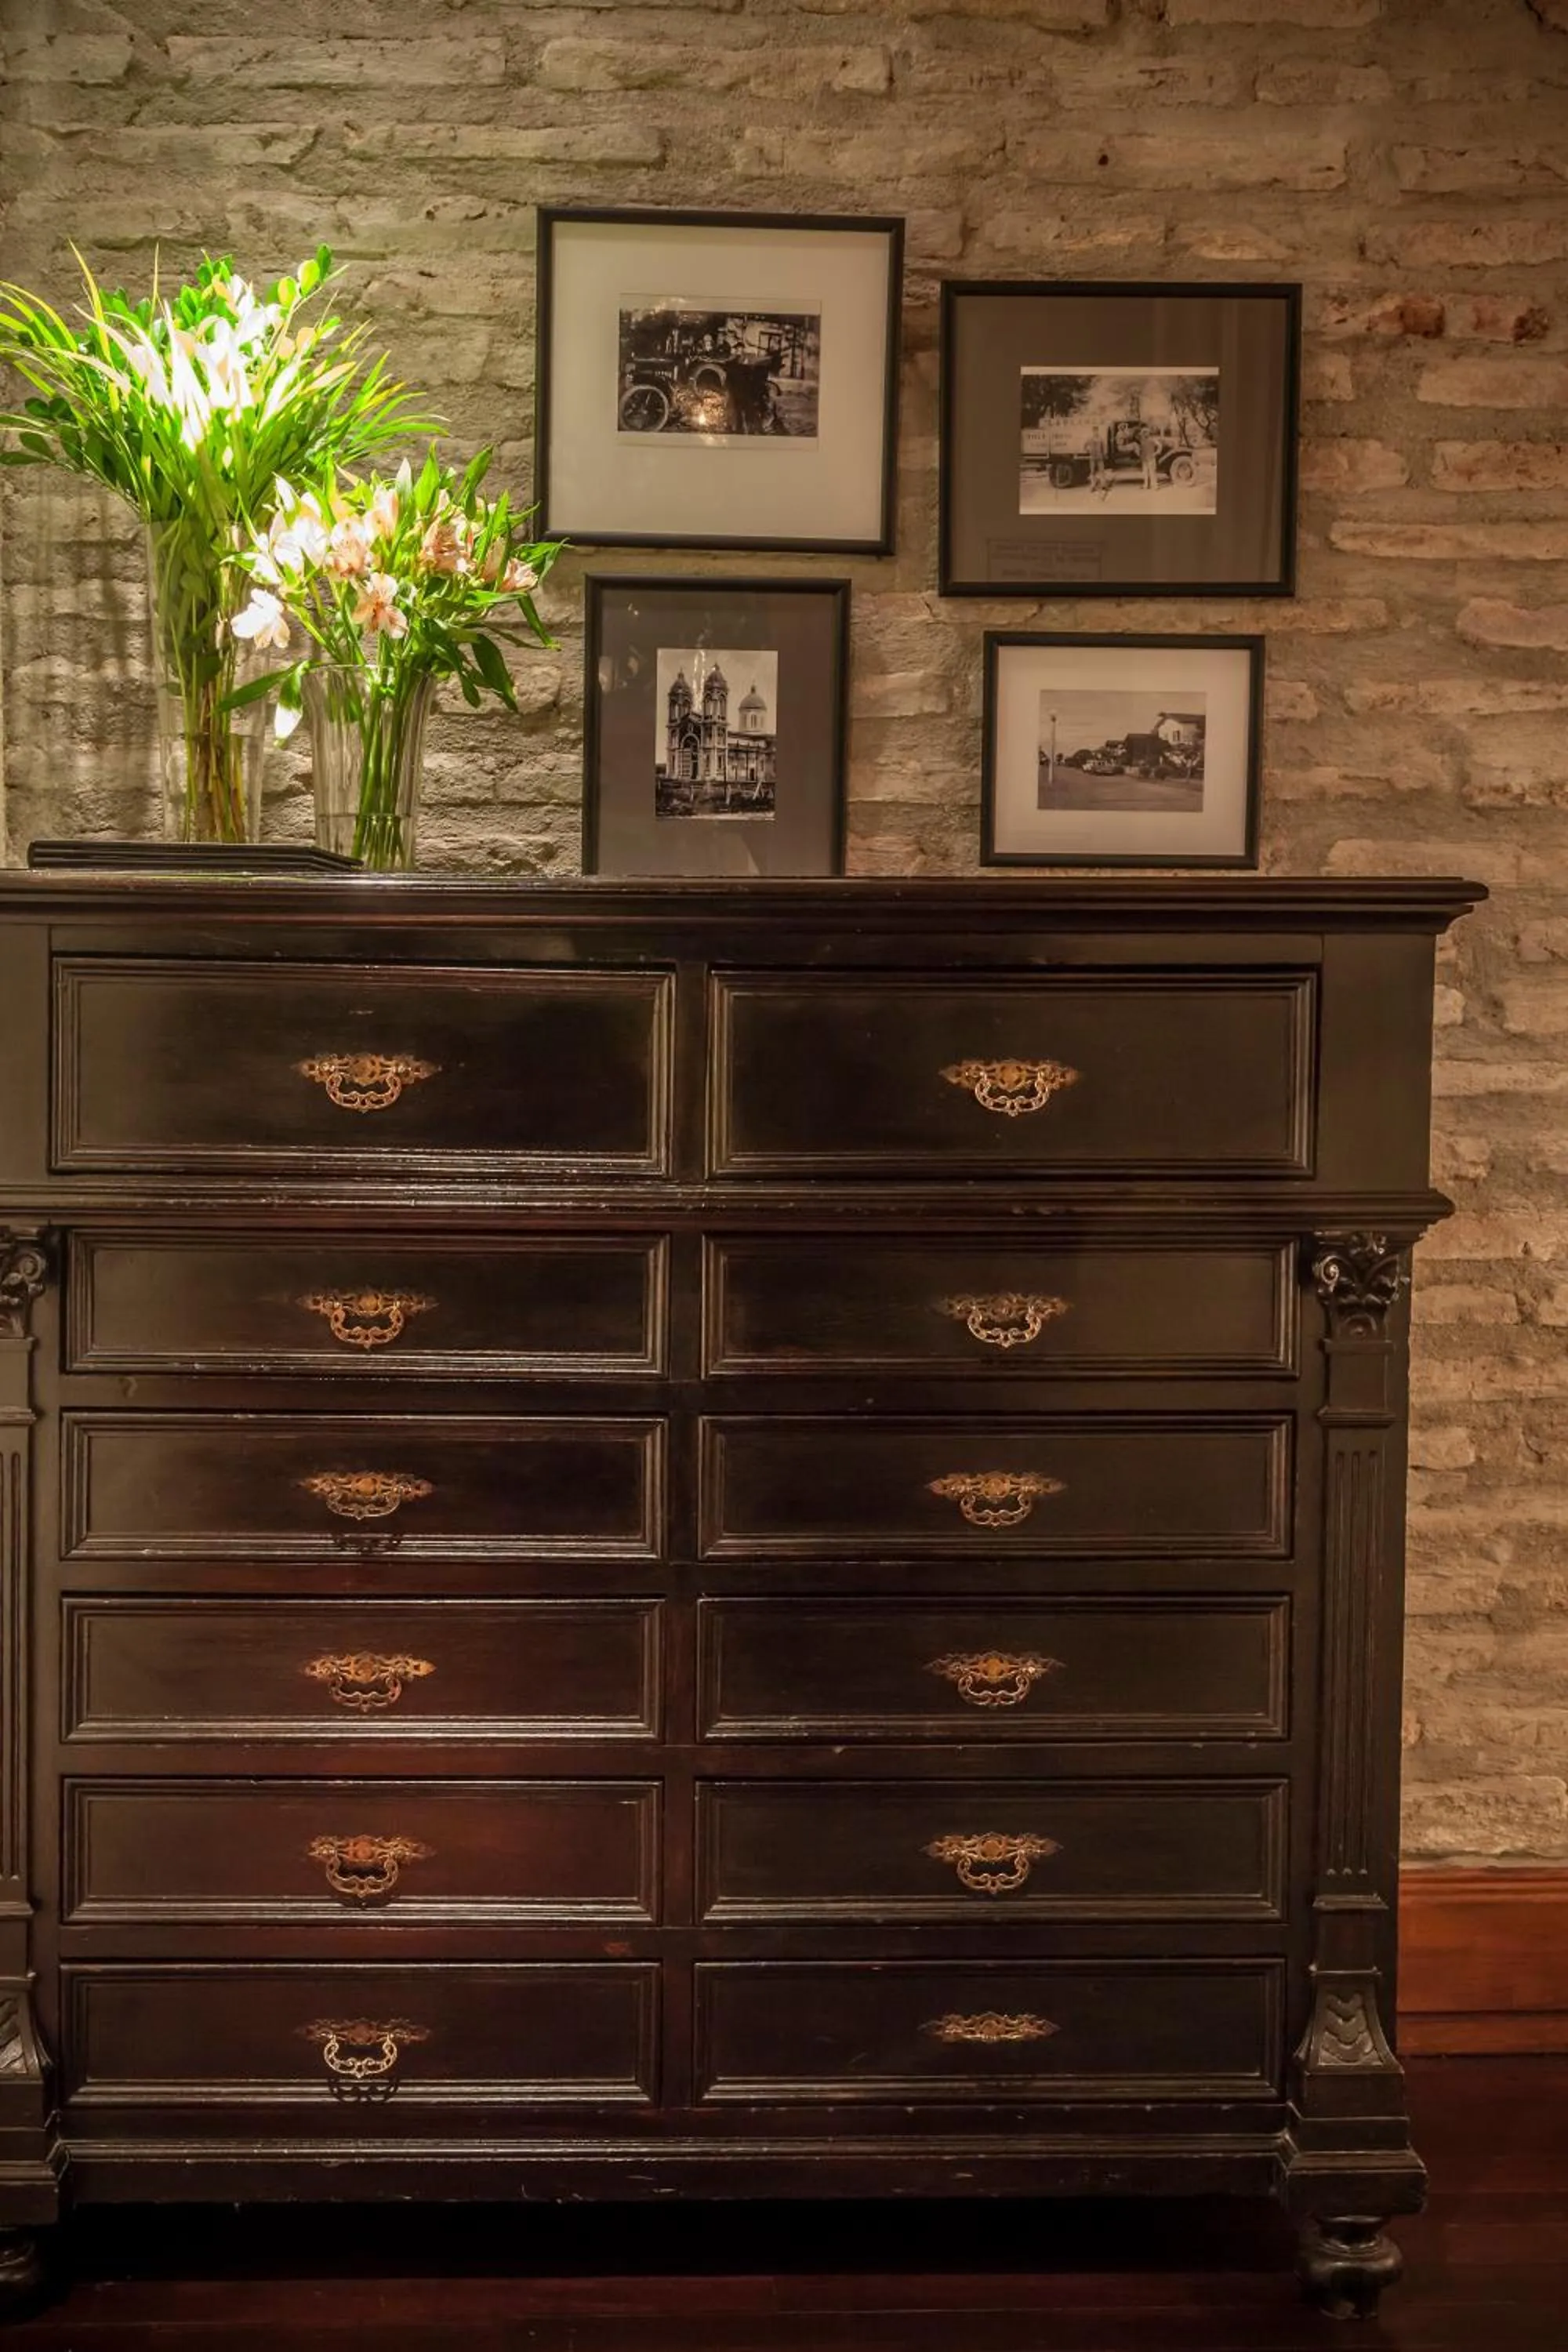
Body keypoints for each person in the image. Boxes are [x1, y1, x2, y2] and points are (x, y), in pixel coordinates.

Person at [1139, 421, 1160, 492]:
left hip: (1151, 458)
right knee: (1145, 473)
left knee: (1152, 472)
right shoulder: (1142, 441)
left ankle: (1155, 486)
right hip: (1145, 458)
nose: (1144, 434)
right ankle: (1146, 485)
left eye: (1146, 432)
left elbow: (1159, 445)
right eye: (1144, 433)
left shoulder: (1152, 439)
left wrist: (1157, 453)